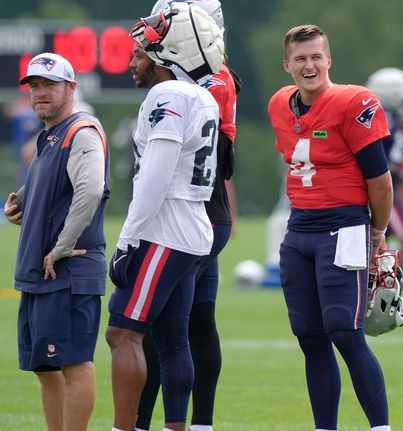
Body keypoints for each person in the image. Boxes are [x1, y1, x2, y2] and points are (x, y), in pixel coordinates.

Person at [104, 4, 225, 431]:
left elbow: (155, 175)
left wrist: (127, 239)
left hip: (165, 230)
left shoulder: (168, 94)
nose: (133, 62)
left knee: (123, 333)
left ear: (170, 57)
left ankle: (124, 427)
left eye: (142, 55)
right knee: (173, 342)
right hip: (193, 230)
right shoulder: (203, 96)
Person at [267, 24, 394, 431]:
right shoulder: (279, 104)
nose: (310, 65)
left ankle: (380, 428)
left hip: (344, 226)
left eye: (316, 57)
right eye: (301, 58)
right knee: (309, 336)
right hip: (299, 228)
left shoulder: (353, 101)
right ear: (287, 64)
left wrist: (377, 233)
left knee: (345, 330)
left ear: (329, 60)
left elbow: (380, 179)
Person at [135, 1, 240, 430]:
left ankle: (143, 422)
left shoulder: (194, 85)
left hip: (186, 213)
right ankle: (199, 423)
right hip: (211, 214)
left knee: (160, 332)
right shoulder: (219, 78)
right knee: (195, 323)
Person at [3, 52, 110, 431]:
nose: (40, 92)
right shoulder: (49, 136)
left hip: (67, 268)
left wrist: (63, 244)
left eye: (50, 84)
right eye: (34, 86)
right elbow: (42, 191)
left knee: (73, 362)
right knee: (45, 367)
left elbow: (91, 189)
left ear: (71, 88)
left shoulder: (81, 131)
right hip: (40, 270)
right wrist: (18, 206)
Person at [366, 67, 403, 265]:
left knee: (383, 242)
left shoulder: (395, 118)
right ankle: (386, 280)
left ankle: (381, 279)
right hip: (383, 191)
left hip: (388, 188)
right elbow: (383, 160)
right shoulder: (385, 118)